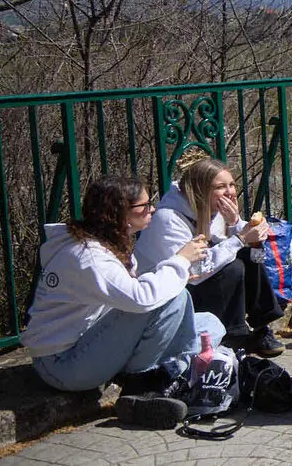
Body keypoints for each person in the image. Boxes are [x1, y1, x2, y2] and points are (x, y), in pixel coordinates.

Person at [22, 176, 222, 427]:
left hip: (92, 344)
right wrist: (180, 261)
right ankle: (142, 385)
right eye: (145, 205)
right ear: (120, 213)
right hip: (63, 365)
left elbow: (131, 297)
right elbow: (141, 299)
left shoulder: (110, 244)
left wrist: (177, 273)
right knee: (175, 298)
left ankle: (170, 374)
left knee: (211, 324)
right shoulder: (89, 256)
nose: (152, 209)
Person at [135, 157, 282, 356]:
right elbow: (195, 271)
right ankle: (232, 337)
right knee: (232, 268)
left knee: (248, 255)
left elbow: (235, 249)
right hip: (172, 294)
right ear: (200, 190)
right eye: (220, 187)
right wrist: (239, 238)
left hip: (200, 282)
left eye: (231, 185)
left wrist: (236, 223)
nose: (230, 192)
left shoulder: (213, 209)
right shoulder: (168, 219)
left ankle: (261, 327)